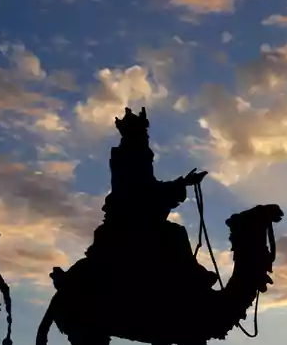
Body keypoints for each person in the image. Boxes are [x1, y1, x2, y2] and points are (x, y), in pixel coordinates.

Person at [87, 106, 219, 293]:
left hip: (131, 211)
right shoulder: (131, 156)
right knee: (175, 234)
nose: (147, 138)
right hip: (130, 214)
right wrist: (183, 183)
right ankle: (191, 276)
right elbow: (144, 189)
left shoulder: (129, 155)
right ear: (137, 134)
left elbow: (149, 186)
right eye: (144, 134)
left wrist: (182, 183)